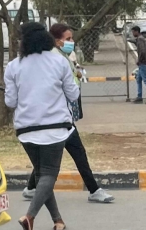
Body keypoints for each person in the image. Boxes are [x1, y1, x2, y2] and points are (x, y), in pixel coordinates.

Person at [22, 23, 114, 205]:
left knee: (48, 158)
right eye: (68, 39)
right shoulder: (55, 60)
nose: (72, 42)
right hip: (57, 118)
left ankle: (31, 188)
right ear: (57, 41)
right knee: (76, 153)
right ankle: (94, 190)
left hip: (61, 116)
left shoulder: (62, 56)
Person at [4, 22, 80, 230]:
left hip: (26, 129)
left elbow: (10, 101)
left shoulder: (14, 66)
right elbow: (73, 95)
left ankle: (57, 220)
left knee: (41, 174)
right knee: (48, 174)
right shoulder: (59, 61)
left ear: (23, 41)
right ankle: (29, 217)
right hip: (55, 126)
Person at [131, 26, 146, 104]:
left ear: (136, 32)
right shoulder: (140, 39)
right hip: (143, 62)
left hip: (143, 62)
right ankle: (139, 97)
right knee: (138, 79)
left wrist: (139, 60)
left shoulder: (140, 39)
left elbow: (142, 51)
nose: (132, 33)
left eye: (133, 32)